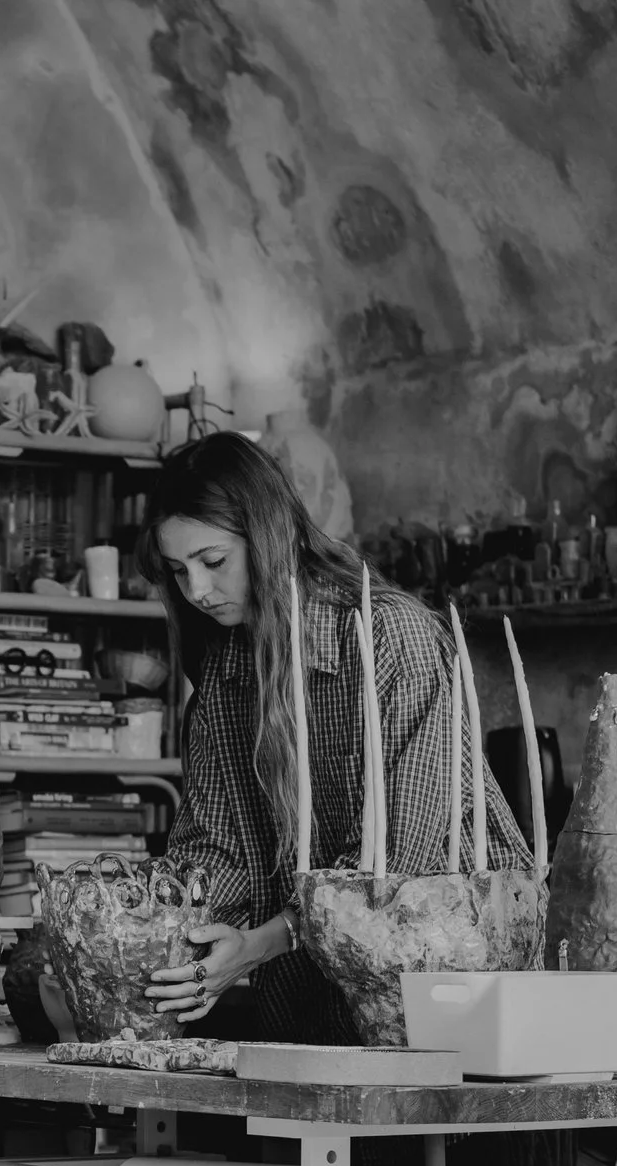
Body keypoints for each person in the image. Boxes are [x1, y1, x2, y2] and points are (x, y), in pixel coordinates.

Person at [141, 431, 533, 1043]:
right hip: (306, 1001)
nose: (195, 591)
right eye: (177, 571)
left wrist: (261, 942)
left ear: (267, 535)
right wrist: (151, 928)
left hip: (444, 981)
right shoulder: (226, 672)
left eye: (213, 562)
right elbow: (217, 851)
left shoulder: (392, 638)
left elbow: (395, 865)